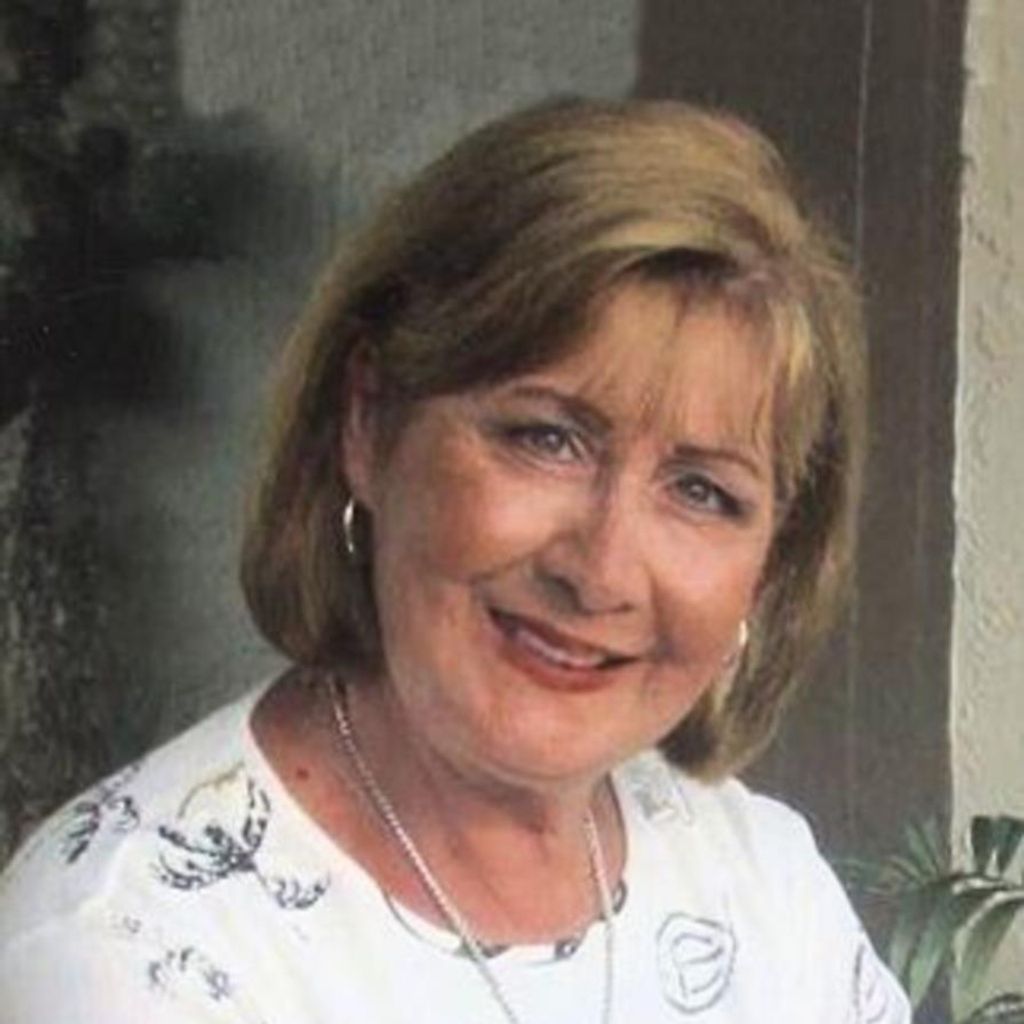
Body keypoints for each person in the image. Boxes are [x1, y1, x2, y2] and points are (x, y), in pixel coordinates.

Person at [0, 98, 910, 1023]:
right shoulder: (129, 950)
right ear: (369, 421)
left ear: (772, 559)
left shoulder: (761, 886)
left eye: (702, 492)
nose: (600, 572)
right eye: (546, 439)